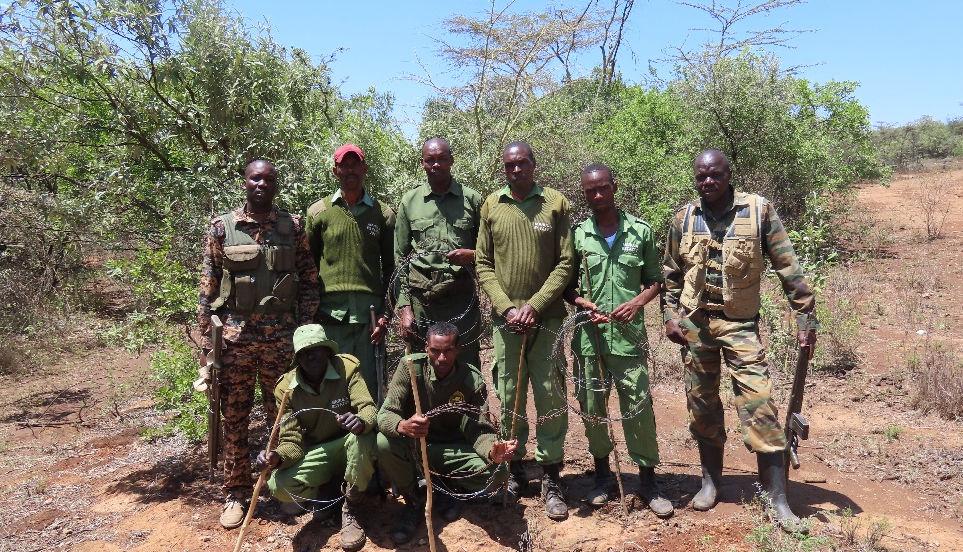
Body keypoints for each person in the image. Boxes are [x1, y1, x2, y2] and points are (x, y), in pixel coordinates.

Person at [661, 149, 817, 531]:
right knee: (701, 405)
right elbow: (670, 275)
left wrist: (805, 316)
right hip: (695, 325)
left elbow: (787, 266)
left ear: (729, 174)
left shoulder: (758, 211)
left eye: (715, 175)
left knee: (759, 403)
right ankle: (711, 482)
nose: (708, 182)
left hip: (741, 324)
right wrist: (669, 316)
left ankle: (777, 498)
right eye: (701, 176)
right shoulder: (684, 218)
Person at [197, 159, 320, 529]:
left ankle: (283, 487)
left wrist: (304, 328)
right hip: (235, 340)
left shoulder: (292, 227)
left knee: (281, 415)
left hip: (281, 339)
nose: (261, 184)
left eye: (268, 179)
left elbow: (309, 280)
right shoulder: (223, 228)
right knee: (234, 417)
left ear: (276, 184)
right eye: (255, 178)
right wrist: (206, 343)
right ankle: (236, 492)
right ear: (245, 183)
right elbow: (208, 285)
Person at [563, 163, 673, 518]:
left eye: (602, 188)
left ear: (614, 187)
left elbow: (655, 281)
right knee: (592, 407)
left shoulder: (640, 231)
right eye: (590, 191)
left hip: (628, 339)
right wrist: (582, 303)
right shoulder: (577, 235)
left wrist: (637, 303)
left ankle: (648, 482)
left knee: (638, 407)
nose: (597, 195)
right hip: (589, 339)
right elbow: (566, 287)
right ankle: (602, 477)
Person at [475, 141, 574, 521]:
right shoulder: (492, 205)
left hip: (547, 320)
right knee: (509, 396)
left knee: (550, 395)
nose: (516, 170)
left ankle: (551, 477)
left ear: (534, 164)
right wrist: (508, 308)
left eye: (522, 163)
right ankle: (514, 471)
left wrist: (534, 305)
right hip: (506, 323)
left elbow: (565, 262)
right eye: (509, 165)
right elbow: (483, 263)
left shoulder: (555, 203)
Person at [377, 322, 517, 544]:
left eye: (448, 351)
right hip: (414, 448)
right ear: (426, 348)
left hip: (450, 451)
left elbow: (479, 429)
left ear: (458, 349)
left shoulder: (471, 379)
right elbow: (385, 414)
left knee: (498, 471)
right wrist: (403, 426)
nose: (441, 358)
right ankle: (414, 499)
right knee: (383, 443)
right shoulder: (410, 368)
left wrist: (493, 452)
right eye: (435, 351)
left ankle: (449, 489)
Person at [257, 324, 377, 552]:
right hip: (320, 452)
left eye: (316, 350)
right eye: (303, 353)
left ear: (327, 351)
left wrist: (360, 421)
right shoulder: (286, 389)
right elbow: (291, 441)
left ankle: (351, 507)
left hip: (351, 445)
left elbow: (368, 408)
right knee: (279, 485)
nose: (310, 357)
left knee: (363, 439)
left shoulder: (347, 368)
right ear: (297, 358)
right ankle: (329, 492)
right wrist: (276, 457)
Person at [305, 143, 395, 400]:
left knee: (370, 384)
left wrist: (386, 313)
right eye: (344, 165)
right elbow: (308, 267)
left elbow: (391, 268)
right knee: (333, 383)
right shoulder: (318, 212)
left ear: (365, 168)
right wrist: (310, 313)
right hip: (330, 315)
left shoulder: (383, 214)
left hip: (370, 317)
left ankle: (371, 425)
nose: (350, 170)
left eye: (355, 164)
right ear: (335, 171)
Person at [394, 137, 482, 369]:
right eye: (430, 160)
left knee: (466, 365)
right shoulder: (410, 202)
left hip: (461, 296)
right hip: (423, 301)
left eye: (442, 159)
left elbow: (490, 250)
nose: (436, 165)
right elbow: (400, 258)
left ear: (451, 160)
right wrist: (405, 308)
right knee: (423, 366)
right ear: (422, 163)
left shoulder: (472, 199)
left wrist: (472, 255)